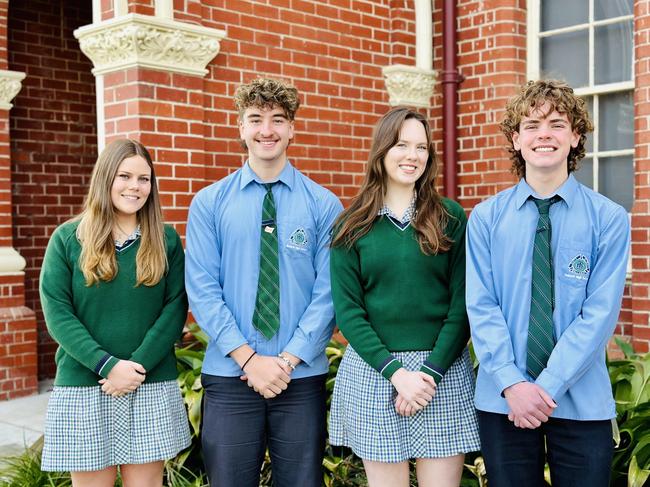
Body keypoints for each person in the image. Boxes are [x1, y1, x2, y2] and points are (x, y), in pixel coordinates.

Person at [466, 79, 630, 486]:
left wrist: (547, 386)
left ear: (576, 137)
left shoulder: (608, 219)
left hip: (581, 399)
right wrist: (512, 383)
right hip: (504, 399)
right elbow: (481, 305)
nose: (544, 134)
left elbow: (599, 315)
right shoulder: (486, 218)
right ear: (516, 140)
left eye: (557, 124)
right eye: (532, 125)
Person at [185, 77, 343, 487]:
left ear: (292, 128)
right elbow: (202, 288)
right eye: (255, 119)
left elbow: (329, 293)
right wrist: (249, 360)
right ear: (241, 127)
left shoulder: (323, 204)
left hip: (300, 377)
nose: (266, 130)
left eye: (277, 119)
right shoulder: (209, 203)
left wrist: (287, 360)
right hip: (231, 375)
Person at [329, 106, 480, 487]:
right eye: (401, 145)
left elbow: (462, 306)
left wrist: (427, 376)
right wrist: (397, 375)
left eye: (421, 148)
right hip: (375, 371)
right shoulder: (351, 226)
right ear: (381, 151)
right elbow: (349, 314)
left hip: (440, 372)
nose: (412, 156)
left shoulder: (449, 217)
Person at [39, 139, 191, 486]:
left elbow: (175, 306)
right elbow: (58, 313)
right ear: (105, 178)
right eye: (124, 176)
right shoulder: (67, 238)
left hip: (149, 381)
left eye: (144, 179)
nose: (134, 187)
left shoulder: (166, 240)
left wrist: (136, 367)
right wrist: (107, 365)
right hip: (86, 384)